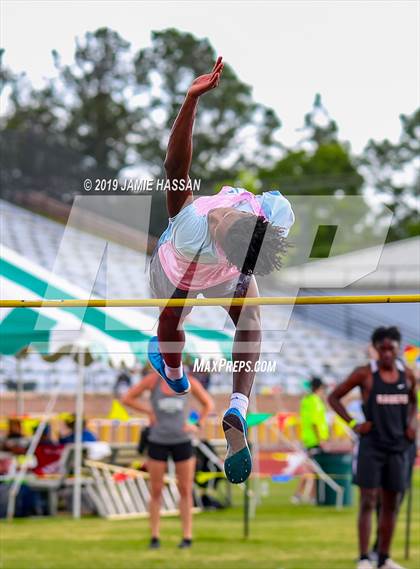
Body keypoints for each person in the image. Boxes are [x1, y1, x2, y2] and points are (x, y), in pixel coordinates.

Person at [147, 56, 295, 484]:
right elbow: (267, 239)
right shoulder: (269, 213)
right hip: (213, 271)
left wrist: (189, 103)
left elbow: (176, 169)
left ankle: (188, 382)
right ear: (249, 220)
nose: (221, 216)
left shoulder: (195, 225)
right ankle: (217, 395)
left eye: (223, 221)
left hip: (180, 267)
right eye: (227, 218)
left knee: (176, 317)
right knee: (242, 316)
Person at [328, 326, 417, 569]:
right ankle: (364, 557)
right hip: (372, 446)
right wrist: (354, 424)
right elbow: (333, 397)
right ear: (376, 349)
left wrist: (412, 425)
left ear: (398, 349)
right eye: (383, 349)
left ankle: (384, 557)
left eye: (391, 348)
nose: (387, 353)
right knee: (368, 500)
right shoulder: (365, 374)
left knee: (391, 503)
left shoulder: (408, 375)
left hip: (399, 448)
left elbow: (413, 402)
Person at [122, 369, 214, 549]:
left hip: (182, 440)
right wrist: (149, 410)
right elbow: (127, 398)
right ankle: (154, 537)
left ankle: (187, 536)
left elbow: (208, 404)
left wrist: (197, 424)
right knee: (156, 490)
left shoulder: (188, 382)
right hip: (158, 440)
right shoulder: (152, 381)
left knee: (185, 489)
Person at [292, 377, 329, 503]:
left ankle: (309, 496)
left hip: (308, 439)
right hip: (314, 441)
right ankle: (304, 496)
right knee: (312, 470)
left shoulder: (306, 401)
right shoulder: (315, 401)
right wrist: (321, 439)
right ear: (319, 388)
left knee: (311, 470)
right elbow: (315, 422)